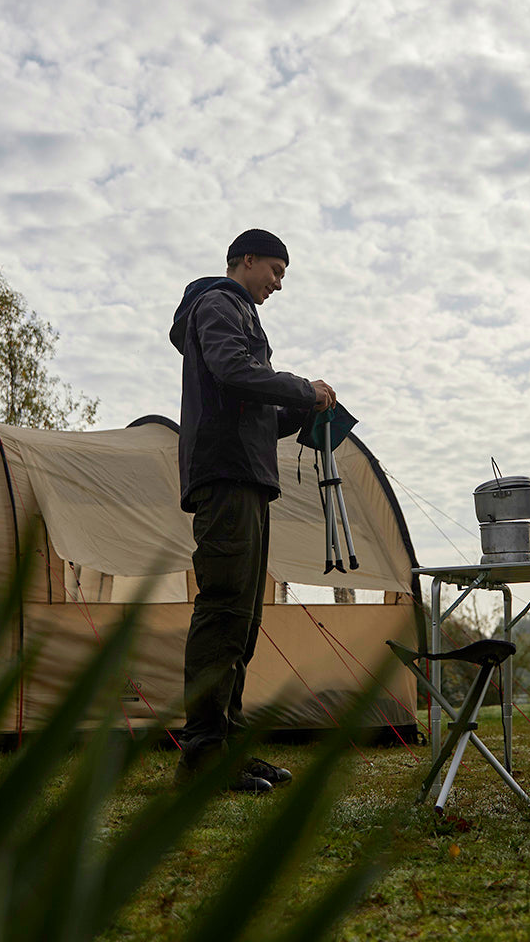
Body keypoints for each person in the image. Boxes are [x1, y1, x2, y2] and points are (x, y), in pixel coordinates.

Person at [169, 228, 336, 793]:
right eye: (276, 271)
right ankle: (203, 757)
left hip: (248, 477)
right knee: (223, 612)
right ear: (247, 260)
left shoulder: (237, 313)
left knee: (243, 619)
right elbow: (232, 371)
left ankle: (228, 749)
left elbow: (251, 406)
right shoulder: (218, 302)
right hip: (226, 477)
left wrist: (303, 412)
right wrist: (301, 387)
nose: (278, 284)